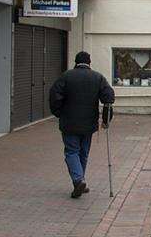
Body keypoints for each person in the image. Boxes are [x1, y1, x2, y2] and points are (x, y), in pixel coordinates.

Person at [48, 51, 115, 198]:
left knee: (72, 152)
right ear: (89, 63)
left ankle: (78, 180)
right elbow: (108, 98)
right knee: (83, 153)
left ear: (75, 62)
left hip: (69, 122)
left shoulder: (66, 76)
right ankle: (80, 180)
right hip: (89, 124)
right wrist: (106, 119)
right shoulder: (98, 77)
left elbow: (54, 96)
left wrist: (59, 113)